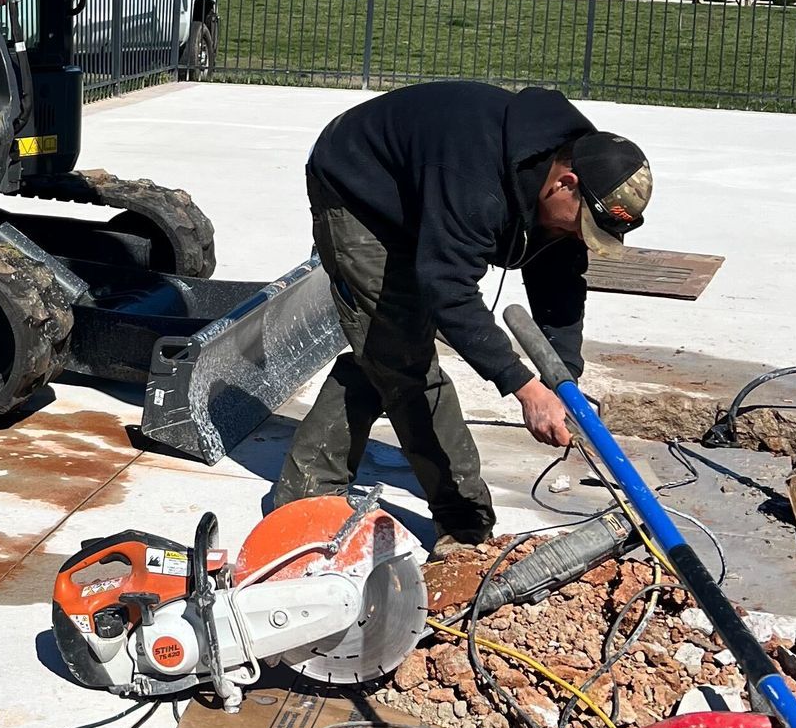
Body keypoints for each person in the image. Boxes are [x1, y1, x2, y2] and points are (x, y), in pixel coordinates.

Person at [270, 82, 652, 551]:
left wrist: (563, 380)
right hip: (358, 187)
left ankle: (303, 492)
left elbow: (560, 283)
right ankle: (464, 520)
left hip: (423, 188)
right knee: (404, 360)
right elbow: (448, 292)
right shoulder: (477, 181)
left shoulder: (578, 167)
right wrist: (524, 388)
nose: (577, 234)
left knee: (385, 347)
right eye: (580, 223)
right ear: (564, 183)